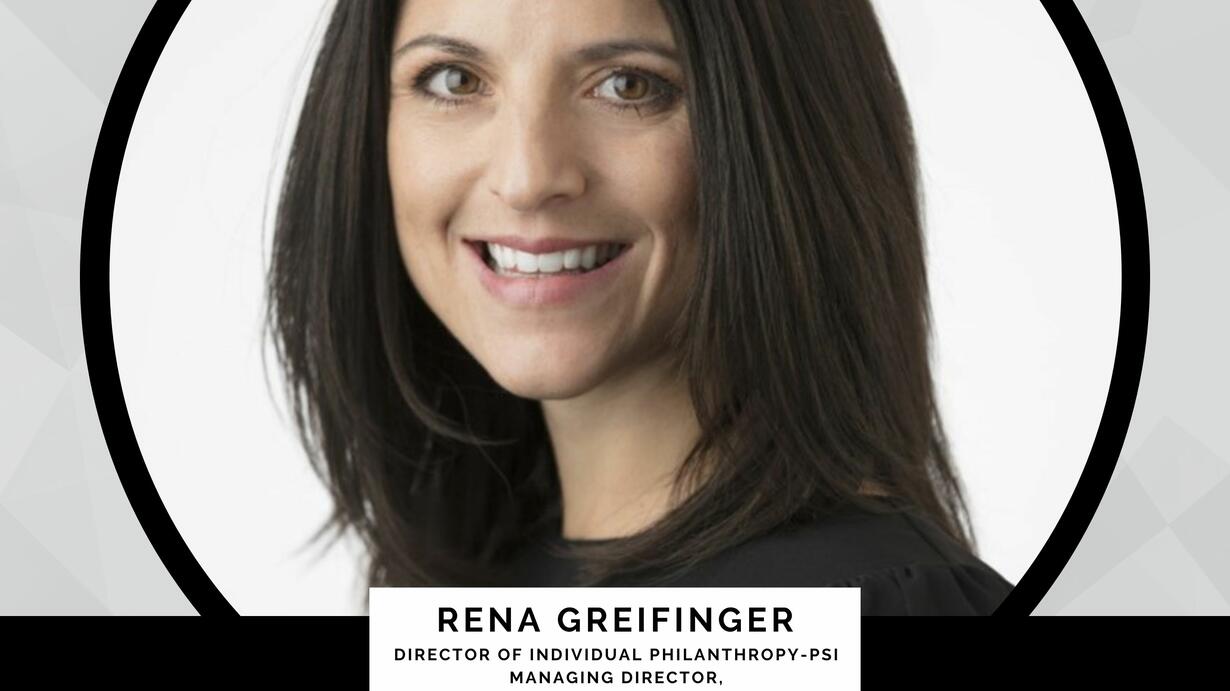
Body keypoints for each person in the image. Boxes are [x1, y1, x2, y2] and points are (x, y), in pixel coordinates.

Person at [267, 0, 1015, 614]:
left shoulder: (868, 615)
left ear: (786, 137)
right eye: (454, 79)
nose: (527, 177)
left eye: (628, 85)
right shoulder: (466, 603)